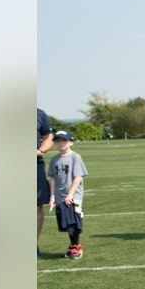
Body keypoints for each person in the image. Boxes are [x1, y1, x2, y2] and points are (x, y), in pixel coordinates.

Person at [47, 130, 88, 260]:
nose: (61, 143)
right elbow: (52, 178)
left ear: (71, 142)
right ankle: (72, 245)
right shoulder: (54, 159)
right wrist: (52, 196)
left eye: (64, 140)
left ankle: (76, 246)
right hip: (60, 196)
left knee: (73, 221)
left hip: (73, 196)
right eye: (58, 140)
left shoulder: (75, 157)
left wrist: (70, 195)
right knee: (65, 222)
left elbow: (78, 177)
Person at [37, 107, 55, 258]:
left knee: (36, 206)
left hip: (34, 164)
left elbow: (48, 137)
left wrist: (41, 151)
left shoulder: (39, 113)